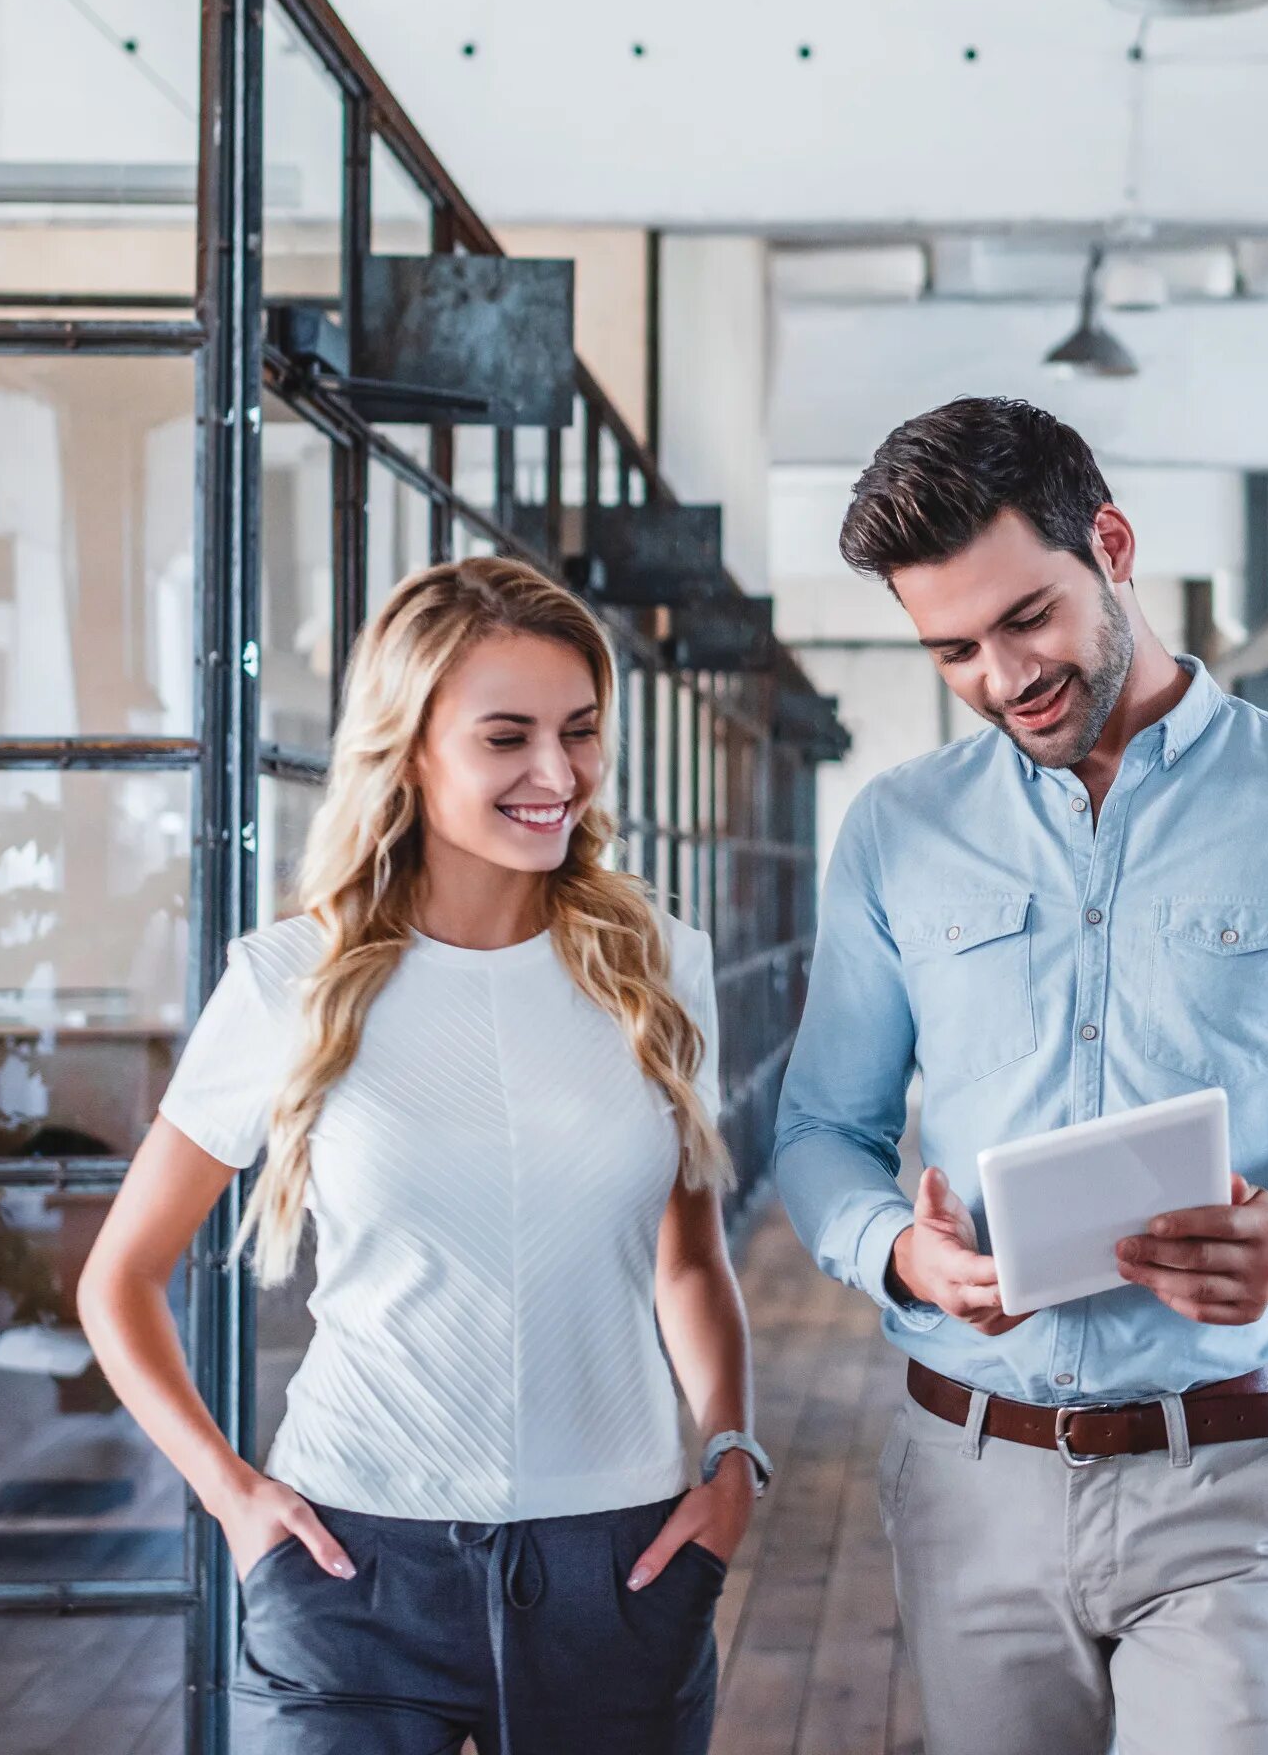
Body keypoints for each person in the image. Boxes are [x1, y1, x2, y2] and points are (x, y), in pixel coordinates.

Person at [776, 397, 1268, 1755]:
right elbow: (821, 1128)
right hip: (971, 1479)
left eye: (1027, 620)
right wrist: (898, 1252)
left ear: (1111, 544)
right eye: (953, 650)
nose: (1003, 677)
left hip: (1233, 1472)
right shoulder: (897, 830)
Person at [80, 557, 767, 1755]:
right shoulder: (291, 977)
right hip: (352, 1571)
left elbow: (691, 1262)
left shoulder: (660, 961)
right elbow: (119, 1277)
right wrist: (236, 1500)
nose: (557, 775)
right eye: (507, 737)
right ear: (409, 751)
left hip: (623, 1563)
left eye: (580, 731)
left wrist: (731, 1458)